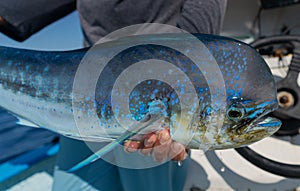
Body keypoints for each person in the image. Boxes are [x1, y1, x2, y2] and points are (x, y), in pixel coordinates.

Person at [0, 0, 227, 190]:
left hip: (154, 104)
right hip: (81, 98)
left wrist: (187, 112)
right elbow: (11, 14)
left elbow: (199, 32)